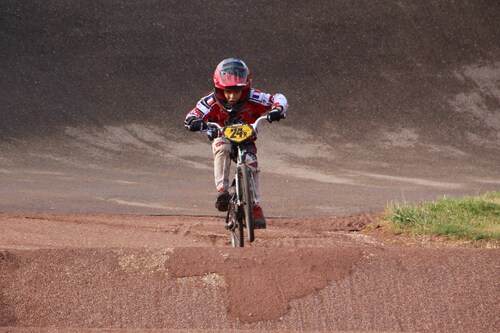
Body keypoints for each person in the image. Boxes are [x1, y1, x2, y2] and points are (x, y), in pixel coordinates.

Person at [184, 58, 288, 228]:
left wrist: (277, 110)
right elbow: (191, 116)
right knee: (222, 147)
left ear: (245, 88)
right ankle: (222, 192)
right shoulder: (210, 102)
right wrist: (195, 122)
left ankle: (254, 206)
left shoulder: (254, 97)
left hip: (247, 140)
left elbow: (278, 98)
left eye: (237, 92)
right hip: (222, 136)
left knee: (251, 164)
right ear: (219, 89)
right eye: (227, 92)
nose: (231, 97)